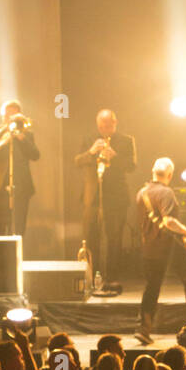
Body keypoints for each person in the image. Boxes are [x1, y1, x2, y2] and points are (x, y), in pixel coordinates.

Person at [135, 158, 186, 345]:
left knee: (152, 287)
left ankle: (143, 329)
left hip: (149, 248)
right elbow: (168, 221)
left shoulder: (141, 193)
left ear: (152, 171)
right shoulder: (166, 193)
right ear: (170, 175)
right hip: (170, 247)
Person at [74, 108, 138, 284]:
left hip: (116, 197)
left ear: (115, 124)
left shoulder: (126, 140)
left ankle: (112, 279)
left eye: (109, 126)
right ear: (97, 124)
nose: (105, 129)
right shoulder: (89, 139)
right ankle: (91, 277)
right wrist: (91, 152)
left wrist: (115, 156)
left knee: (114, 239)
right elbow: (77, 161)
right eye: (102, 126)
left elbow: (131, 166)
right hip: (92, 197)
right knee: (90, 237)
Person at [0, 99, 39, 237]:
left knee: (18, 227)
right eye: (7, 116)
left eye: (13, 116)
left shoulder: (26, 134)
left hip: (21, 186)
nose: (10, 119)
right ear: (2, 116)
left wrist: (22, 138)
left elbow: (35, 155)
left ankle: (16, 256)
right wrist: (1, 143)